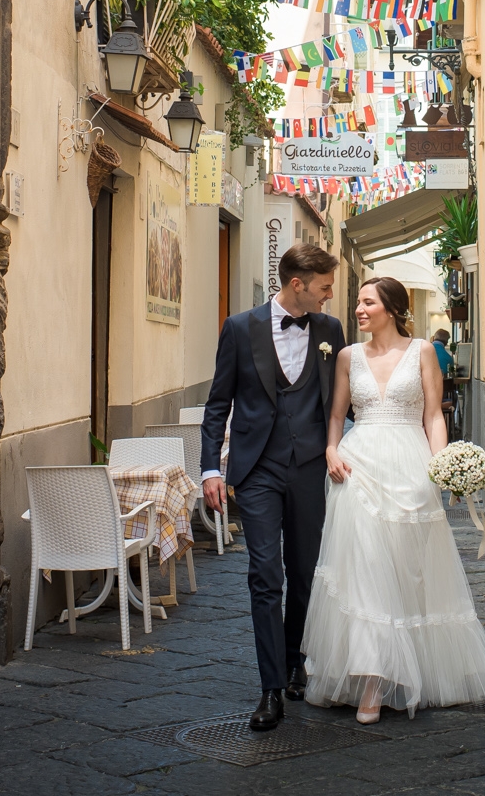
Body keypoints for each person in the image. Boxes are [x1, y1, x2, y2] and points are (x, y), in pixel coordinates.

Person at [301, 276, 485, 723]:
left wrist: (442, 466)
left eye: (367, 302)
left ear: (391, 309)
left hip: (410, 467)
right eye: (357, 302)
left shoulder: (422, 353)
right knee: (366, 569)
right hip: (358, 469)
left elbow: (433, 414)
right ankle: (371, 678)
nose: (358, 309)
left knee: (407, 571)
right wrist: (332, 449)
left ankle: (412, 666)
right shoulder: (347, 357)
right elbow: (336, 416)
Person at [200, 242, 346, 732]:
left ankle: (294, 661)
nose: (330, 296)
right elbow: (217, 404)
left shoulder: (329, 330)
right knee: (266, 574)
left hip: (308, 469)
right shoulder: (240, 328)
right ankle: (269, 689)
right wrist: (210, 470)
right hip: (257, 469)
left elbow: (341, 403)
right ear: (298, 284)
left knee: (304, 572)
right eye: (325, 288)